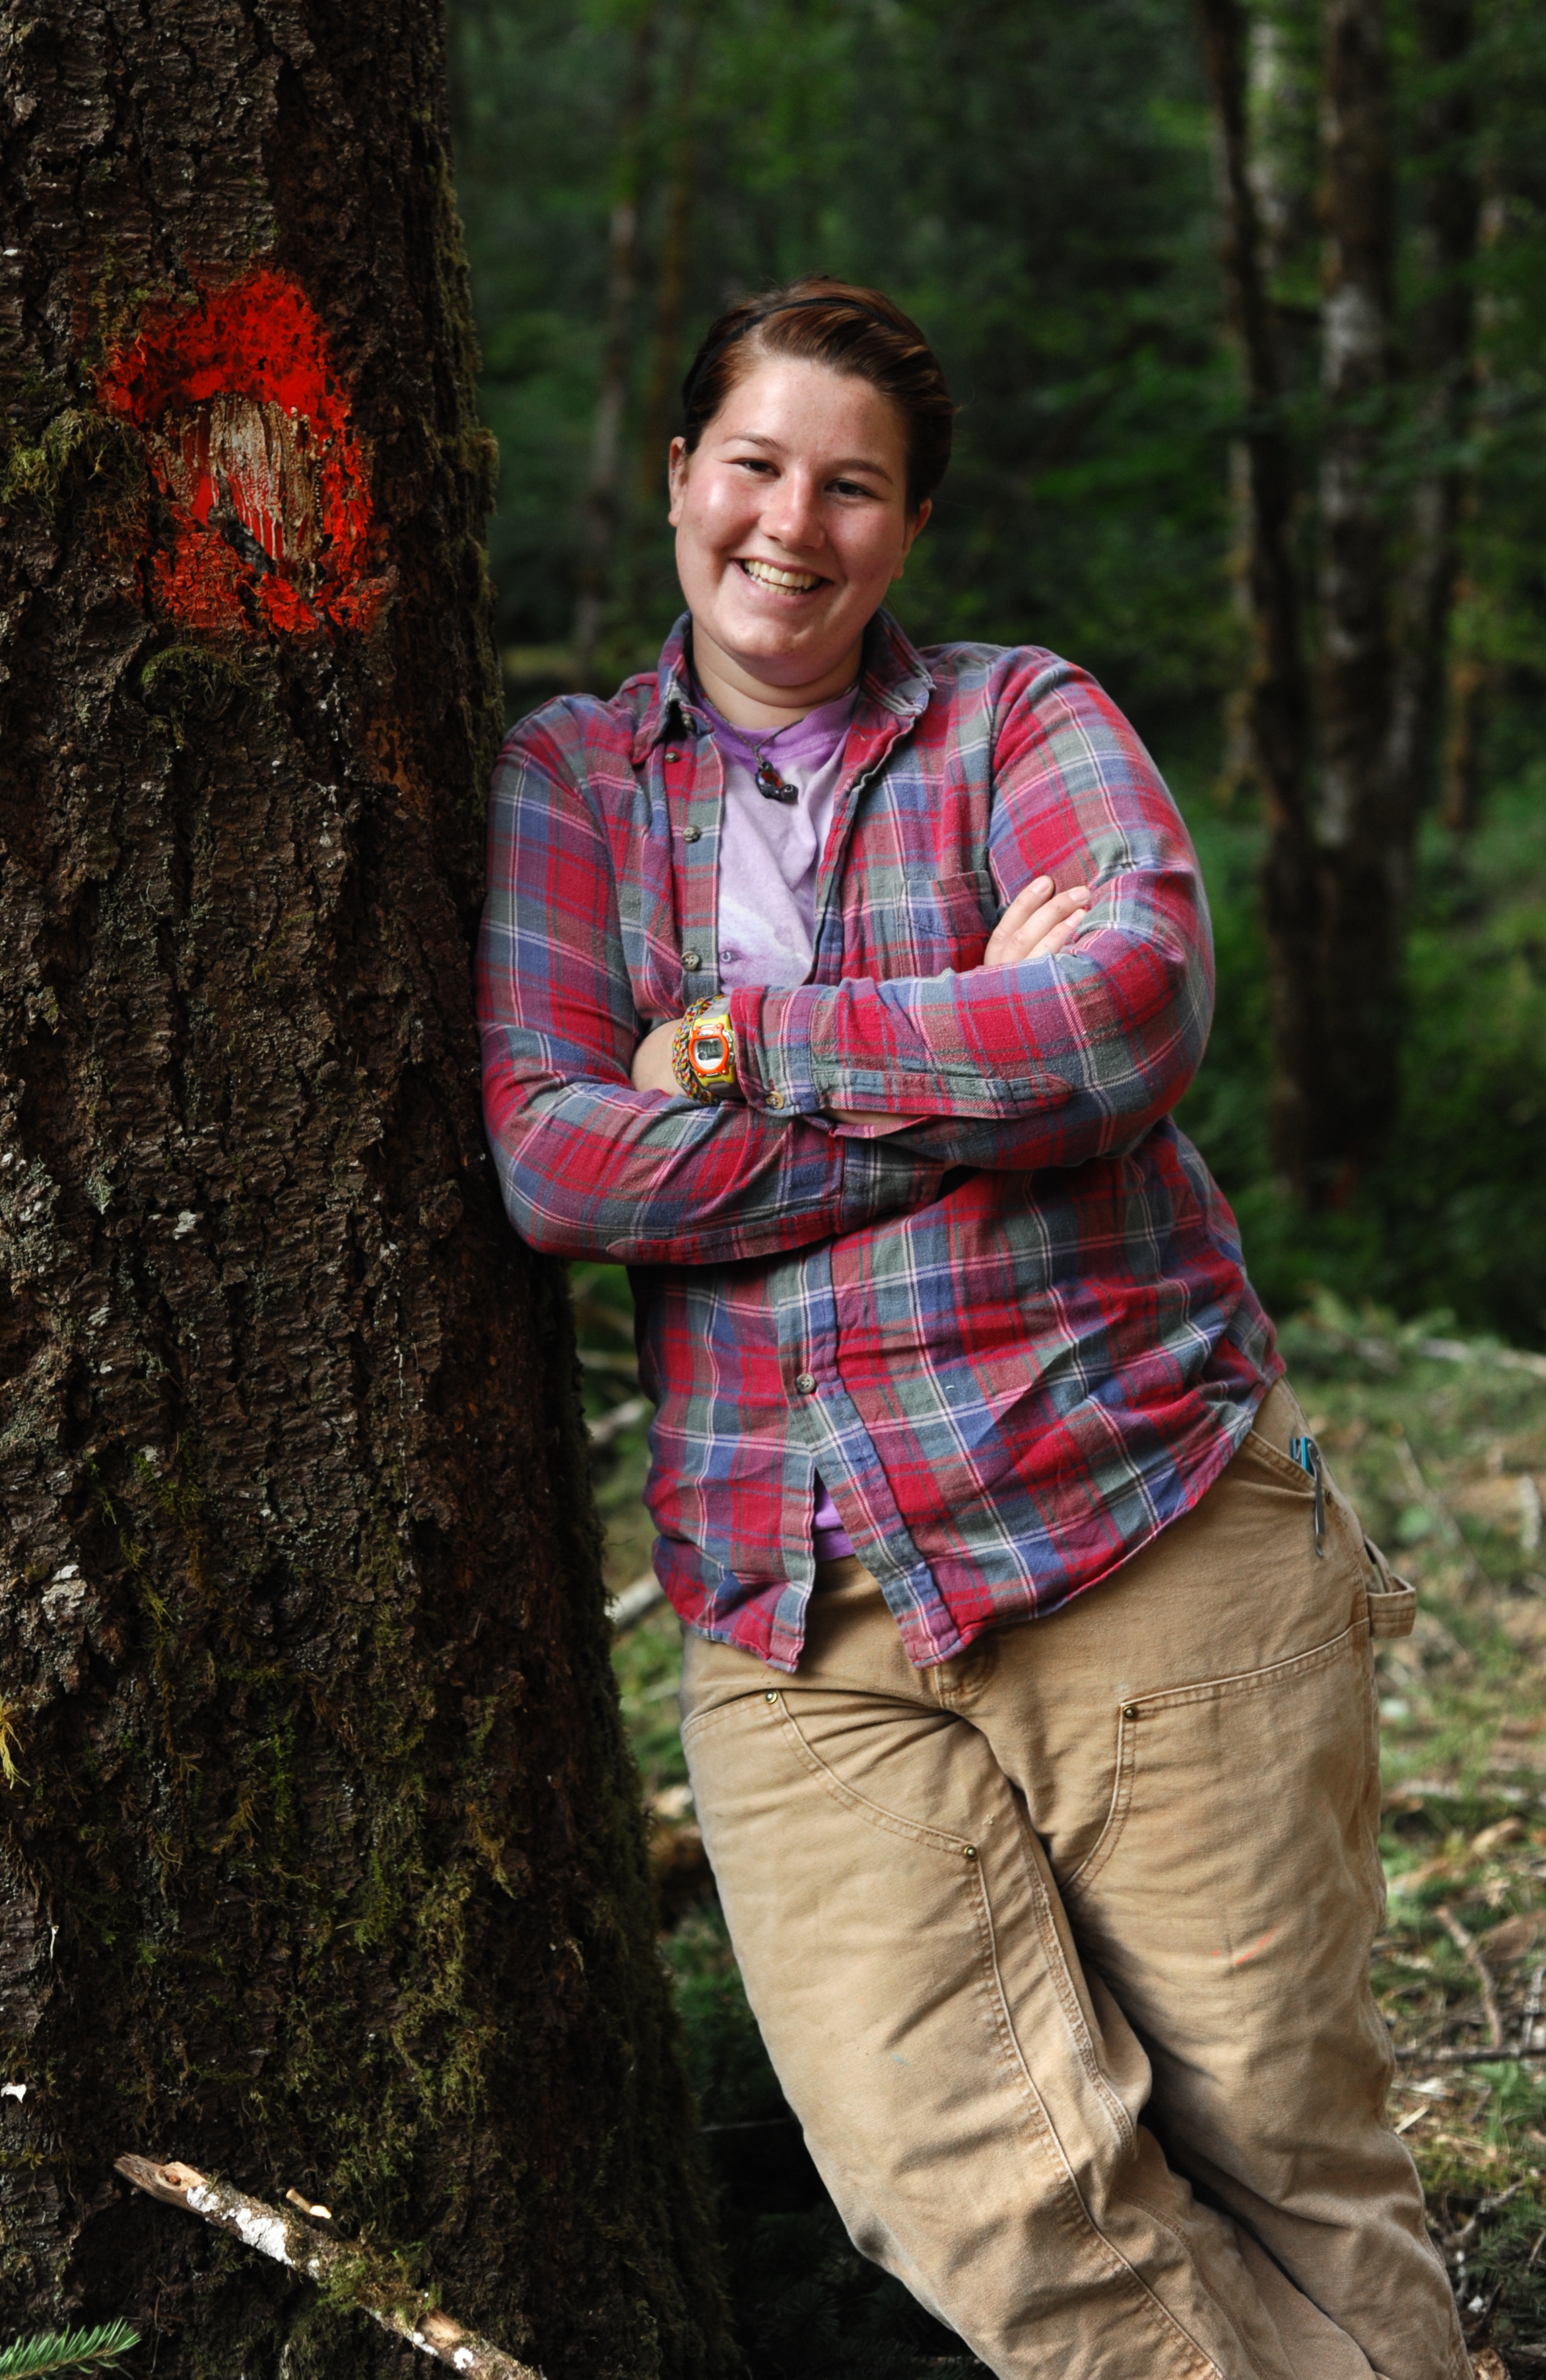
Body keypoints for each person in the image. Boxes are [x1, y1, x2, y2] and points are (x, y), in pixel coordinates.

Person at [475, 279, 1471, 2380]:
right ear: (680, 480)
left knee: (1284, 2142)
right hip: (790, 1612)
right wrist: (967, 1103)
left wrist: (738, 1050)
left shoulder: (1020, 721)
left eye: (853, 486)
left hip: (1134, 1524)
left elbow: (1123, 1018)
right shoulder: (572, 778)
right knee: (976, 2194)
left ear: (907, 530)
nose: (791, 523)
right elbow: (559, 1161)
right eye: (754, 465)